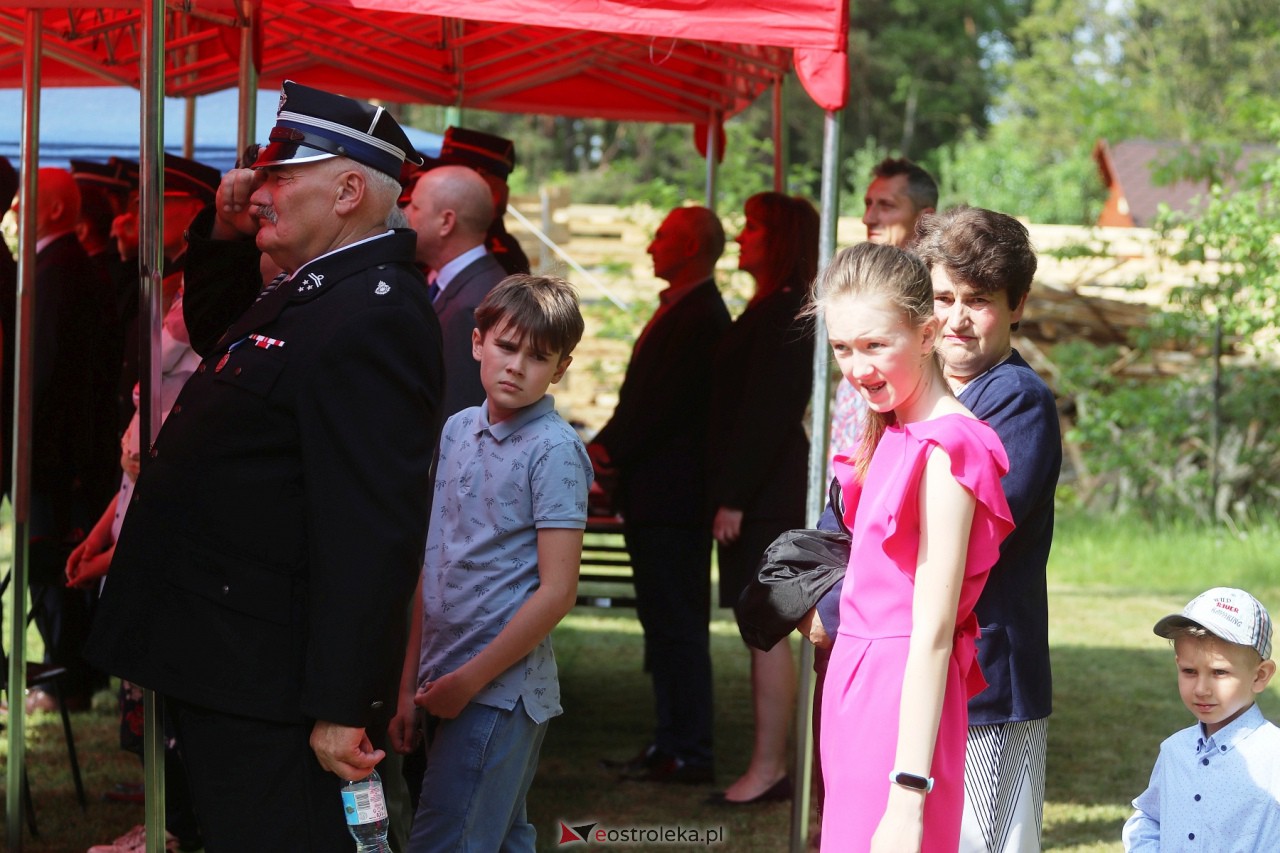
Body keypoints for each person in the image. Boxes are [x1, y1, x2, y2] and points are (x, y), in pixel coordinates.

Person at [84, 80, 445, 852]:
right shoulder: (320, 289)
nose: (256, 190)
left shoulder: (374, 311)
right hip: (230, 658)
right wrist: (219, 228)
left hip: (272, 677)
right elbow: (221, 336)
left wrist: (346, 702)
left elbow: (370, 526)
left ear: (349, 189)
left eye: (283, 174)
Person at [807, 206, 1060, 852]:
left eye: (977, 301)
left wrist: (833, 607)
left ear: (1017, 305)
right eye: (944, 296)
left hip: (987, 677)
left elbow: (946, 550)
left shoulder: (1013, 402)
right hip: (888, 673)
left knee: (985, 840)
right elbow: (857, 527)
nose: (955, 317)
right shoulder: (899, 409)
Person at [391, 275, 590, 852]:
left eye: (538, 356)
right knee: (501, 839)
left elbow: (557, 592)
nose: (516, 366)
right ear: (477, 342)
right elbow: (434, 562)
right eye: (506, 346)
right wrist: (408, 686)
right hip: (440, 678)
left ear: (561, 367)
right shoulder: (456, 430)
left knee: (445, 839)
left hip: (498, 691)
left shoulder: (554, 450)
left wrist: (468, 682)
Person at [591, 206, 730, 784]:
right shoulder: (683, 309)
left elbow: (658, 408)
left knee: (676, 626)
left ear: (693, 246)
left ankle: (688, 749)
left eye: (665, 237)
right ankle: (670, 740)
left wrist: (600, 452)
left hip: (674, 503)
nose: (651, 245)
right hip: (656, 499)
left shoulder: (700, 316)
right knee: (663, 625)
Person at [709, 191, 817, 804]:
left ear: (780, 239)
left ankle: (770, 765)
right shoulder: (771, 305)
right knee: (759, 627)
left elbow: (766, 415)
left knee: (768, 628)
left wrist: (734, 496)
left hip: (766, 494)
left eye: (753, 228)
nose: (742, 236)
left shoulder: (786, 312)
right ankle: (768, 761)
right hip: (757, 490)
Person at [24, 166, 113, 713]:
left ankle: (66, 675)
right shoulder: (59, 264)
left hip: (55, 454)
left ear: (56, 210)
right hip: (62, 451)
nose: (16, 206)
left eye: (29, 199)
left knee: (53, 560)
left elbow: (45, 370)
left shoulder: (58, 269)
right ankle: (67, 669)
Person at [1123, 587, 1280, 851]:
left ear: (1260, 676)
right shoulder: (1174, 750)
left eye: (1219, 672)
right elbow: (1149, 818)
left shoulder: (1274, 755)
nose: (1201, 689)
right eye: (1189, 671)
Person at [402, 163, 506, 418]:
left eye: (414, 206)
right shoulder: (459, 284)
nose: (404, 213)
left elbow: (458, 415)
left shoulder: (474, 307)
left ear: (446, 222)